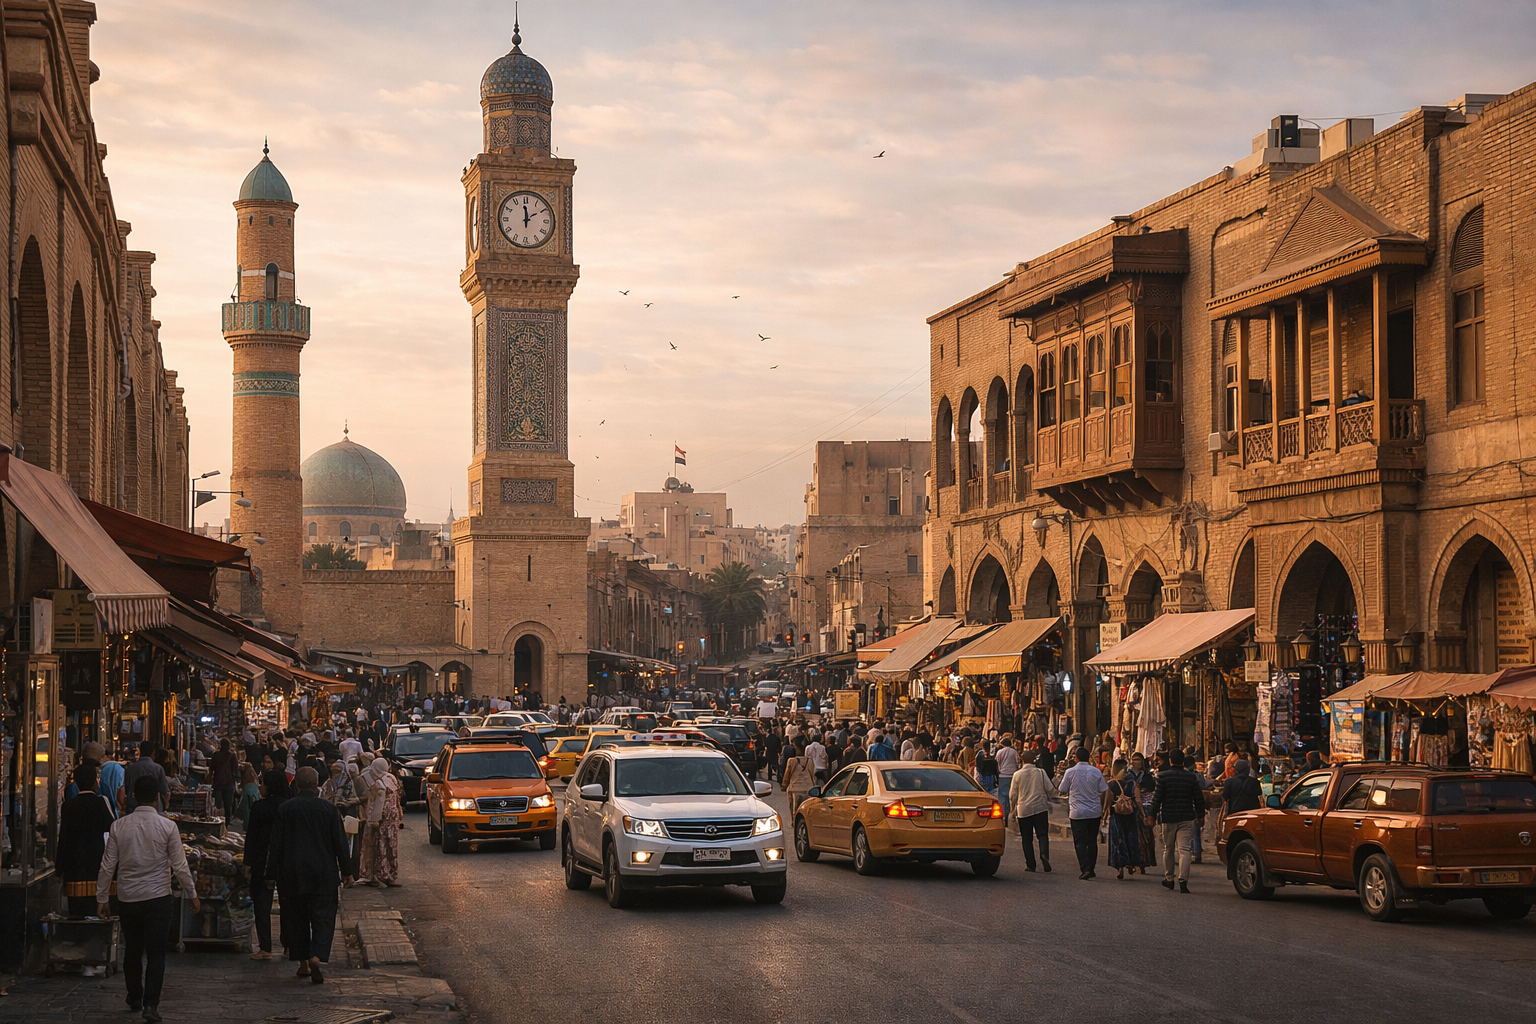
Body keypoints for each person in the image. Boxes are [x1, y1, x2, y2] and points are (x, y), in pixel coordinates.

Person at [98, 774, 198, 1022]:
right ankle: (150, 1005)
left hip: (129, 898)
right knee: (156, 953)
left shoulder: (119, 826)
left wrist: (101, 898)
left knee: (132, 949)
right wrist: (192, 893)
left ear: (132, 797)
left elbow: (107, 865)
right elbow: (180, 865)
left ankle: (134, 995)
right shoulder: (168, 827)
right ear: (157, 797)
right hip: (158, 898)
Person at [267, 767, 351, 983]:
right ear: (316, 785)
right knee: (323, 917)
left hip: (292, 873)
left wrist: (270, 874)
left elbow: (275, 844)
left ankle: (303, 963)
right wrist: (348, 872)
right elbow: (340, 843)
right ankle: (317, 955)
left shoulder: (285, 809)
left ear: (297, 785)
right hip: (323, 872)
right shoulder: (329, 809)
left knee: (297, 917)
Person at [60, 763, 117, 959]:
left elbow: (63, 839)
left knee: (77, 911)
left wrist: (60, 868)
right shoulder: (102, 803)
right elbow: (112, 830)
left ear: (75, 782)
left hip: (75, 867)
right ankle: (95, 956)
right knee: (96, 910)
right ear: (95, 782)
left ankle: (77, 952)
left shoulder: (68, 806)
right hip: (97, 864)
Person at [243, 769, 290, 961]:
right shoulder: (289, 807)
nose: (260, 786)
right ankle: (288, 945)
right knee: (288, 904)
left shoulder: (260, 807)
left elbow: (251, 837)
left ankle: (265, 947)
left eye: (262, 783)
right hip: (285, 861)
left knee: (262, 903)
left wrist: (247, 862)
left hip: (262, 860)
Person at [1150, 751, 1205, 893]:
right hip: (1186, 817)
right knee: (1185, 849)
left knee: (1168, 849)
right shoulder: (1191, 778)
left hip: (1168, 818)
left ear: (1170, 760)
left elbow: (1157, 799)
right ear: (1183, 761)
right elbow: (1198, 798)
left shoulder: (1163, 777)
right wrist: (1200, 815)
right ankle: (1183, 880)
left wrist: (1152, 815)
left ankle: (1169, 878)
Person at [1058, 746, 1108, 880]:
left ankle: (1085, 867)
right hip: (1094, 812)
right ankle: (1091, 868)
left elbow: (1062, 789)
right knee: (1092, 840)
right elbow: (1103, 789)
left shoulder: (1070, 772)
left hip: (1077, 812)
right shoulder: (1096, 772)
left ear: (1076, 758)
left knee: (1080, 841)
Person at [359, 756, 402, 887]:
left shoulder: (378, 784)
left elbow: (378, 803)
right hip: (393, 817)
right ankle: (391, 873)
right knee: (391, 845)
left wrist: (373, 820)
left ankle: (382, 874)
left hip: (382, 819)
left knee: (380, 845)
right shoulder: (391, 779)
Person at [1104, 758, 1149, 880]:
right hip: (1131, 815)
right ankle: (1131, 863)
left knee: (1118, 840)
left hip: (1116, 815)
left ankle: (1120, 868)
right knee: (1131, 839)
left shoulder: (1111, 784)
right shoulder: (1133, 783)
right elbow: (1138, 800)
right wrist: (1143, 814)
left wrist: (1104, 814)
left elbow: (1108, 801)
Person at [1008, 749, 1053, 872]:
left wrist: (1012, 811)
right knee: (1042, 834)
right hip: (1040, 808)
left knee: (1026, 838)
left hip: (1024, 810)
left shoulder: (1017, 775)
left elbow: (1013, 795)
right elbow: (1050, 789)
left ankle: (1030, 864)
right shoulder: (1041, 772)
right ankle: (1044, 854)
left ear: (1022, 761)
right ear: (1034, 761)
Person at [121, 741, 169, 813]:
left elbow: (126, 789)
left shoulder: (130, 769)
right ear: (153, 753)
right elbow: (164, 791)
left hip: (132, 808)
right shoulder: (158, 769)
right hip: (153, 809)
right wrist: (165, 805)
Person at [208, 738, 240, 824]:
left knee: (218, 804)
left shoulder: (215, 755)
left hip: (217, 782)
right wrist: (237, 780)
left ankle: (218, 821)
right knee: (228, 804)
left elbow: (212, 768)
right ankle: (227, 821)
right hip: (229, 783)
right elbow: (235, 769)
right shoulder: (232, 755)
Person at [780, 741, 816, 814]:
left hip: (795, 788)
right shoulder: (809, 761)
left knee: (794, 809)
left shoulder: (791, 761)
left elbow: (787, 775)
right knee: (806, 810)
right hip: (807, 788)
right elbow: (812, 775)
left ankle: (794, 822)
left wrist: (784, 785)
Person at [995, 737, 1020, 825]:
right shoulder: (1014, 752)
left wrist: (997, 776)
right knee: (1012, 796)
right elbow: (1017, 763)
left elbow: (997, 764)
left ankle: (1004, 816)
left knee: (1002, 797)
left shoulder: (1000, 752)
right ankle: (1010, 814)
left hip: (1002, 776)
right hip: (1013, 776)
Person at [235, 763, 262, 829]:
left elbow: (243, 802)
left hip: (248, 816)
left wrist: (238, 813)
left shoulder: (246, 787)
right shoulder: (255, 785)